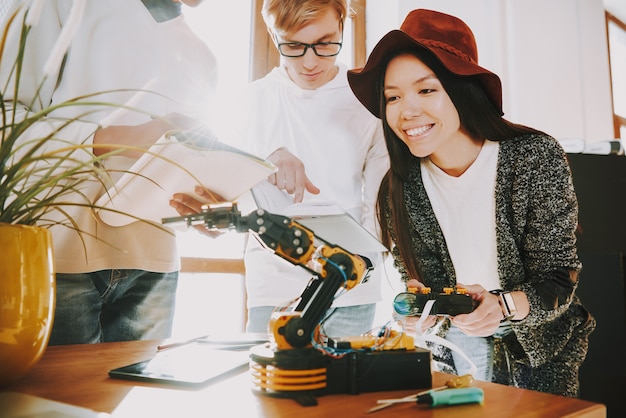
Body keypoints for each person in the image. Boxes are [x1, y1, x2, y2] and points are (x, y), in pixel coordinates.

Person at [346, 9, 595, 397]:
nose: (406, 111)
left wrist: (502, 306)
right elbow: (420, 285)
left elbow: (560, 279)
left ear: (461, 89)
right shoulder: (399, 188)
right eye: (392, 97)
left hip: (539, 353)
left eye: (426, 90)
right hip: (456, 351)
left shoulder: (533, 157)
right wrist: (421, 313)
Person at [0, 0, 218, 344]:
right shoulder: (57, 4)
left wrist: (203, 207)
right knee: (54, 399)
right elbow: (6, 119)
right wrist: (122, 139)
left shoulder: (203, 55)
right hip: (59, 257)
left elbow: (178, 167)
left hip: (156, 266)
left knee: (141, 400)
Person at [225, 0, 389, 337]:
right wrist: (261, 158)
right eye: (294, 46)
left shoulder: (369, 100)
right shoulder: (248, 103)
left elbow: (381, 202)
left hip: (352, 285)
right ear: (273, 35)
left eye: (326, 43)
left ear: (343, 25)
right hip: (274, 289)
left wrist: (372, 265)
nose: (311, 62)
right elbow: (223, 186)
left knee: (346, 389)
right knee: (270, 388)